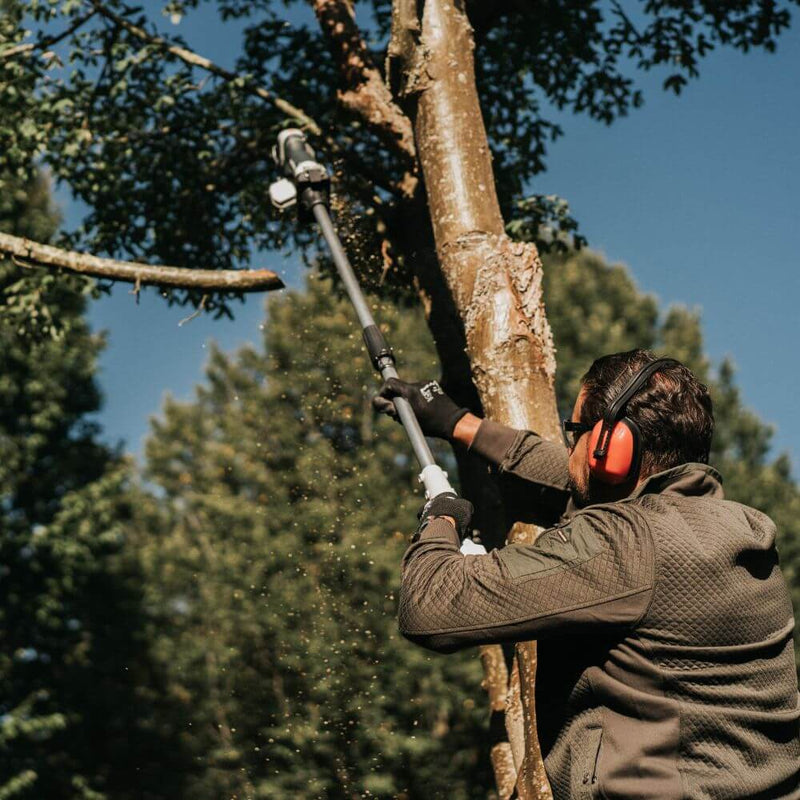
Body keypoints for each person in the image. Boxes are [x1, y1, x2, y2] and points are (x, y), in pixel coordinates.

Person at [373, 350, 800, 800]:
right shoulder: (736, 530)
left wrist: (441, 516)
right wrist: (458, 422)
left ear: (609, 449)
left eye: (575, 433)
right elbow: (572, 478)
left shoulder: (626, 543)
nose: (571, 448)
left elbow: (430, 604)